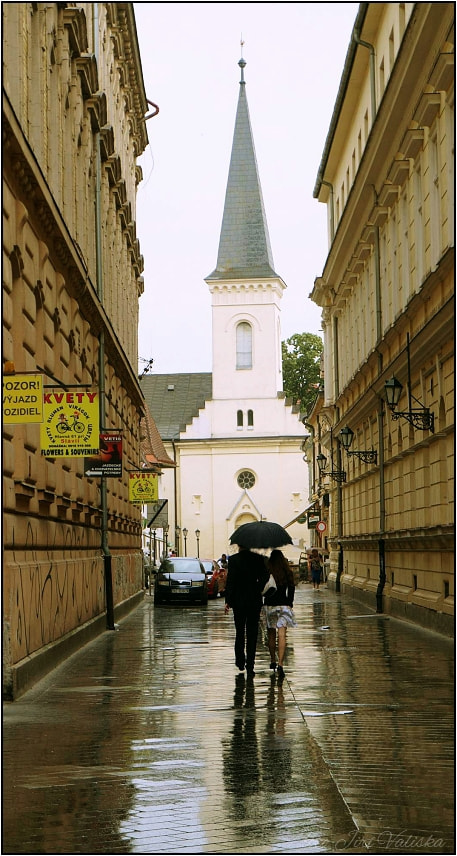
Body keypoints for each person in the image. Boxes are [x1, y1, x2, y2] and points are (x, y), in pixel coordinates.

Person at [224, 546, 269, 677]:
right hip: (254, 600)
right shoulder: (258, 559)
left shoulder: (233, 560)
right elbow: (265, 575)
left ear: (239, 546)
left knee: (239, 631)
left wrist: (228, 600)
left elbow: (230, 581)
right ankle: (250, 665)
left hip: (238, 601)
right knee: (252, 633)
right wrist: (258, 588)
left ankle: (240, 661)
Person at [263, 549, 296, 680]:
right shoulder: (287, 572)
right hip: (283, 605)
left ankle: (272, 659)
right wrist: (289, 602)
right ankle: (281, 664)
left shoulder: (267, 571)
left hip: (270, 605)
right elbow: (292, 588)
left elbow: (263, 588)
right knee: (282, 635)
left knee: (271, 635)